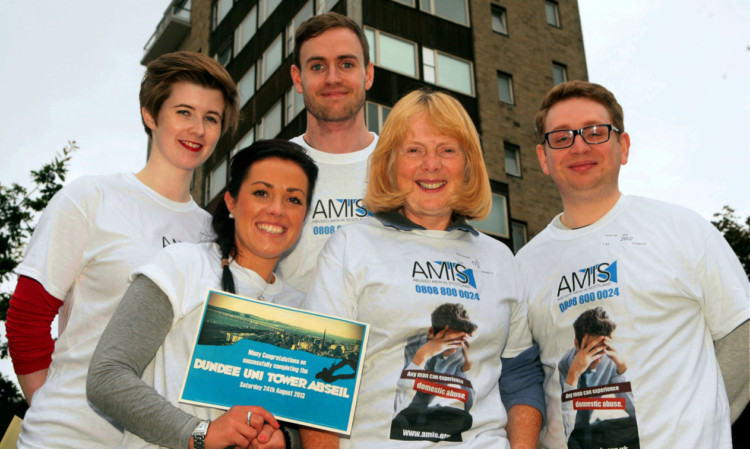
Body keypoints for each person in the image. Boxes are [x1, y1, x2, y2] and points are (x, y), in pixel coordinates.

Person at [5, 51, 239, 448]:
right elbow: (26, 317)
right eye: (184, 112)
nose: (197, 129)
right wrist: (52, 407)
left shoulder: (213, 236)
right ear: (151, 114)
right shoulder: (92, 198)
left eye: (211, 118)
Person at [302, 89, 544, 448]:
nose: (431, 165)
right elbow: (318, 381)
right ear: (389, 162)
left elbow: (521, 375)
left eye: (447, 150)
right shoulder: (351, 246)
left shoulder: (500, 258)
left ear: (468, 164)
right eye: (414, 150)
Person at [517, 80, 750, 448]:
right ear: (543, 158)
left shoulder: (682, 229)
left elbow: (744, 337)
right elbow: (522, 382)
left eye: (595, 132)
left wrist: (702, 423)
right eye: (561, 137)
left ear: (622, 147)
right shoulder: (522, 267)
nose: (579, 145)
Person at [87, 140, 318, 449]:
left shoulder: (304, 309)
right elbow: (107, 377)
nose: (277, 209)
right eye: (261, 193)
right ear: (232, 202)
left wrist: (283, 440)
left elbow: (307, 422)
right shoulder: (183, 264)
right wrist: (199, 433)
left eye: (293, 199)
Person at [277, 11, 378, 293]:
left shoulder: (402, 165)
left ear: (367, 74)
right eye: (318, 67)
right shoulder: (272, 167)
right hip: (296, 335)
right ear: (298, 79)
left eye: (346, 64)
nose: (333, 78)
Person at [557, 307, 636, 448]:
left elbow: (634, 411)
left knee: (639, 428)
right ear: (577, 344)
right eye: (593, 350)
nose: (598, 359)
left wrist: (621, 368)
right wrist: (573, 376)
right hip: (574, 435)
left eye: (602, 350)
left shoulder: (607, 360)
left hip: (593, 432)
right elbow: (566, 428)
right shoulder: (563, 365)